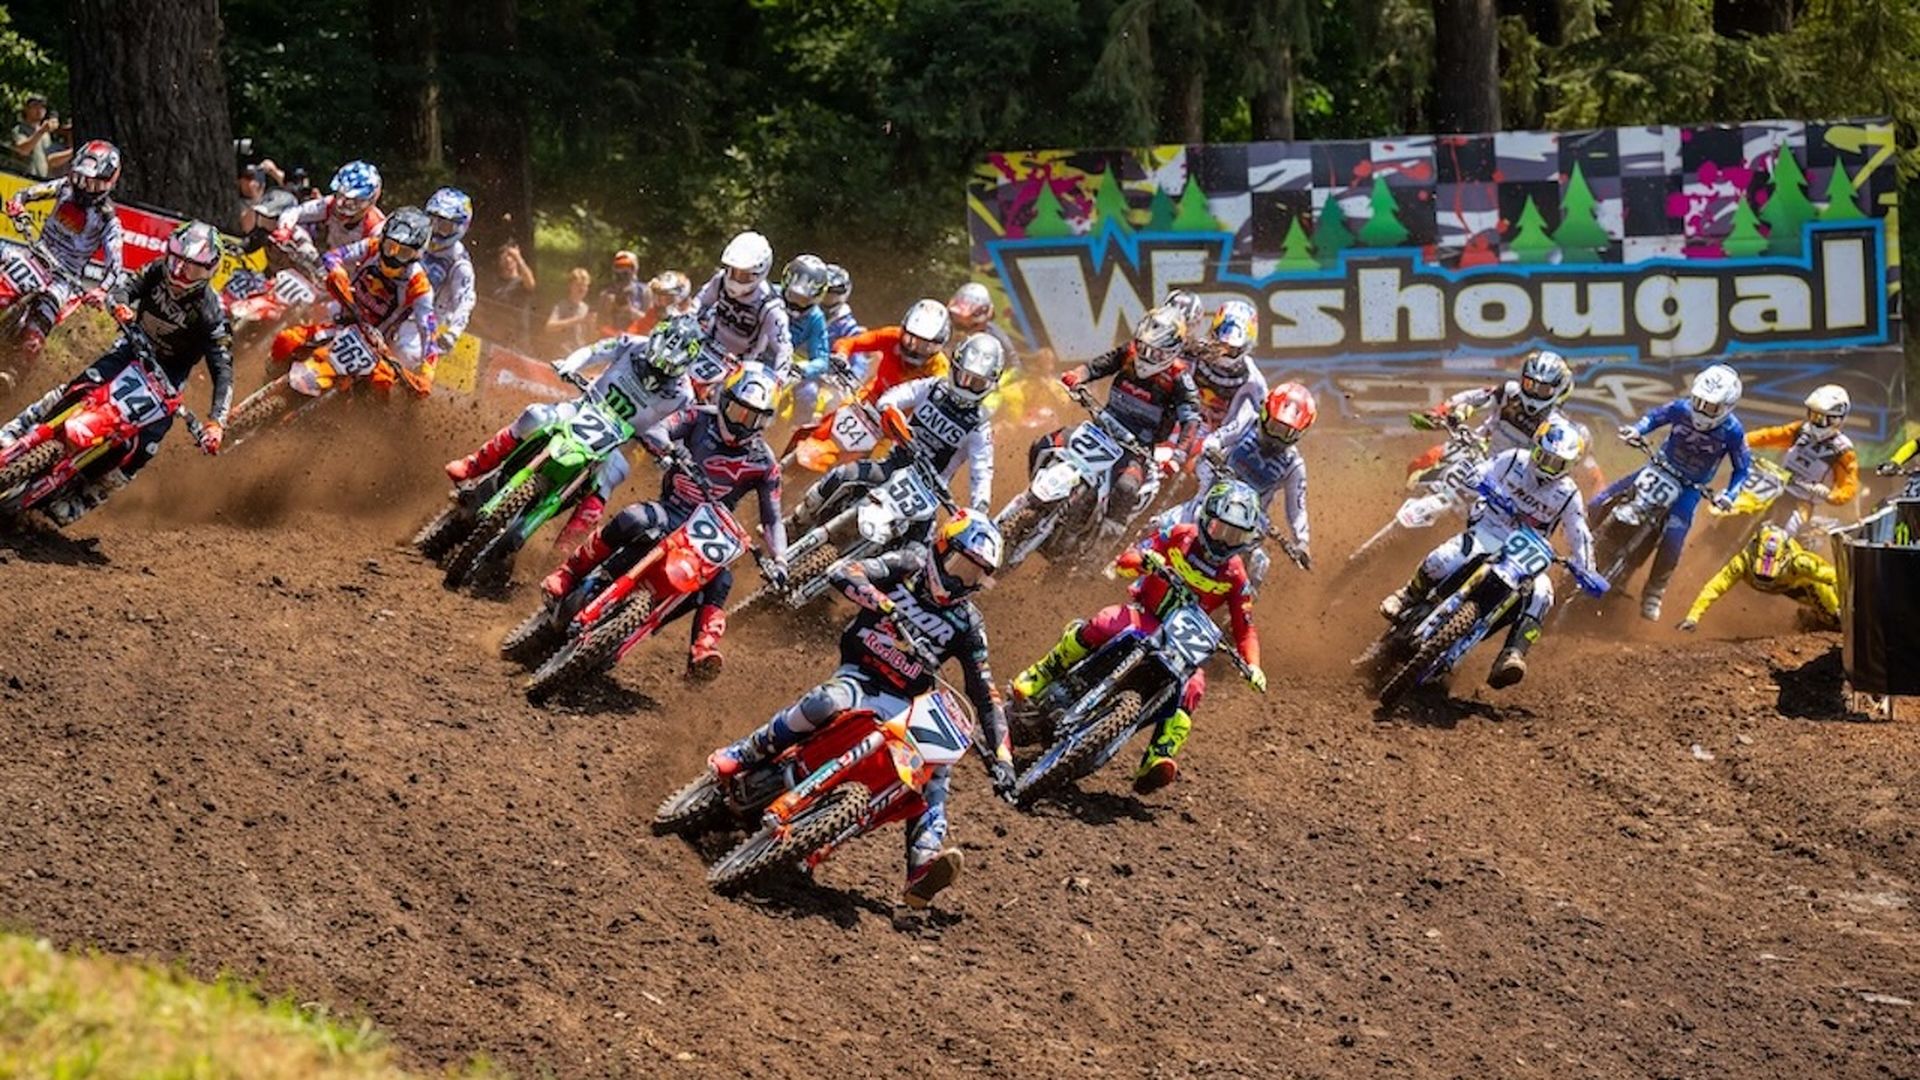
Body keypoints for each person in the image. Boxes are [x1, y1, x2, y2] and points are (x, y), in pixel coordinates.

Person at [708, 512, 1016, 909]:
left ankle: (922, 864)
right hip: (862, 676)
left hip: (905, 704)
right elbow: (845, 571)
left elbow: (985, 692)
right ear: (941, 548)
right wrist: (882, 602)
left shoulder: (967, 622)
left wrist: (1005, 759)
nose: (961, 581)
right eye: (961, 567)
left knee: (936, 769)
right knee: (825, 702)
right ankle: (745, 752)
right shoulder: (909, 563)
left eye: (975, 577)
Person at [1012, 480, 1266, 794]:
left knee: (1194, 686)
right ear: (1205, 518)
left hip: (1183, 645)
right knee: (1105, 622)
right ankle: (1042, 673)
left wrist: (1253, 666)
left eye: (1235, 535)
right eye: (1220, 529)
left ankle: (1159, 756)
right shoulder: (1179, 535)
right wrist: (1145, 561)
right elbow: (1126, 560)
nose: (1225, 541)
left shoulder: (1236, 575)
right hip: (1146, 615)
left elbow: (1245, 627)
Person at [539, 364, 788, 678]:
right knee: (632, 518)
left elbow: (773, 518)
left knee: (722, 581)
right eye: (738, 411)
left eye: (752, 418)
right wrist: (670, 449)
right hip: (671, 510)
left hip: (705, 533)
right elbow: (659, 428)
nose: (741, 423)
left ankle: (703, 649)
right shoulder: (699, 417)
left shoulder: (765, 463)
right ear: (725, 399)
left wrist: (779, 559)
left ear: (764, 421)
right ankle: (568, 573)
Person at [0, 222, 230, 523]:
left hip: (168, 376)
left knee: (146, 445)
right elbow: (125, 287)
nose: (179, 273)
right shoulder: (157, 270)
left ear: (210, 270)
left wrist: (216, 422)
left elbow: (223, 368)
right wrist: (121, 305)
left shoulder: (212, 312)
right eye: (176, 261)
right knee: (77, 388)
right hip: (132, 346)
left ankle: (86, 498)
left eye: (192, 269)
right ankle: (15, 431)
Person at [447, 314, 701, 551]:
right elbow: (594, 351)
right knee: (534, 416)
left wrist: (667, 447)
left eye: (664, 369)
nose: (654, 371)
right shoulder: (634, 344)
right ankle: (473, 465)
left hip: (619, 442)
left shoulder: (684, 395)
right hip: (583, 408)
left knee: (608, 480)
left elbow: (676, 425)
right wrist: (569, 364)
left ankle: (564, 552)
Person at [1380, 416, 1596, 687]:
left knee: (1543, 594)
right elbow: (1483, 471)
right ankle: (1407, 596)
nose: (1547, 466)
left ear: (1569, 465)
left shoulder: (1568, 493)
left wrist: (1587, 568)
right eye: (1544, 456)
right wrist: (1476, 479)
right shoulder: (1513, 459)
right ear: (1536, 447)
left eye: (1557, 463)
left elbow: (1580, 533)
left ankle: (1512, 654)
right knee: (1444, 558)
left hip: (1525, 551)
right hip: (1489, 530)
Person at [788, 333, 1005, 535]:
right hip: (893, 464)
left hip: (927, 491)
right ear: (954, 368)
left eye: (976, 382)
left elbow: (982, 471)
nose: (966, 385)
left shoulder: (979, 427)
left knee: (915, 551)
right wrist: (891, 411)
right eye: (964, 377)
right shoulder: (933, 387)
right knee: (842, 474)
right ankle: (795, 522)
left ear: (989, 385)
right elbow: (898, 394)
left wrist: (980, 508)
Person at [1030, 305, 1198, 541]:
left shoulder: (1180, 379)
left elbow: (1191, 420)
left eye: (1156, 353)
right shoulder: (1129, 353)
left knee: (1126, 489)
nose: (1146, 356)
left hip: (1136, 448)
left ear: (1173, 352)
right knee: (1044, 444)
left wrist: (1178, 456)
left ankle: (1096, 555)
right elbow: (1098, 365)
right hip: (1101, 428)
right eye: (1143, 347)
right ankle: (1035, 504)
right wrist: (1077, 376)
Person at [1596, 364, 1751, 620]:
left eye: (1710, 406)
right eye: (1698, 401)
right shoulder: (1681, 408)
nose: (1701, 410)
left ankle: (1654, 591)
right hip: (1659, 468)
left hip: (1689, 488)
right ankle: (1584, 542)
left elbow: (1742, 469)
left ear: (1727, 407)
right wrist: (1637, 430)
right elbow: (1655, 417)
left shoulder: (1733, 431)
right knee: (1600, 501)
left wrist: (1729, 495)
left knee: (1673, 541)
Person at [1169, 381, 1315, 595]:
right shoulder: (1248, 422)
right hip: (1210, 499)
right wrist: (1213, 453)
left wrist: (1302, 542)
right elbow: (1217, 438)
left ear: (1299, 434)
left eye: (1285, 433)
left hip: (1250, 526)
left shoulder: (1294, 464)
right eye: (1274, 426)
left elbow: (1297, 507)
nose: (1276, 437)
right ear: (1265, 415)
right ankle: (1128, 558)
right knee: (1166, 524)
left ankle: (1232, 617)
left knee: (1259, 566)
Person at [270, 206, 438, 392]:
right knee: (286, 340)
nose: (393, 256)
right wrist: (338, 272)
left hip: (375, 347)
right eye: (390, 247)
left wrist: (426, 374)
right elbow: (334, 256)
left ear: (417, 254)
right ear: (383, 240)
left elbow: (428, 332)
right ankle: (269, 379)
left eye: (403, 253)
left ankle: (363, 419)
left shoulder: (419, 285)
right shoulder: (371, 247)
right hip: (343, 324)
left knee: (383, 382)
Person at [1, 140, 124, 363]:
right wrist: (17, 205)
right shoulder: (65, 187)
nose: (84, 187)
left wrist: (102, 290)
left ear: (107, 184)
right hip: (34, 255)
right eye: (81, 179)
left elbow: (115, 266)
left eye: (93, 183)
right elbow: (27, 194)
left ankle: (12, 375)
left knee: (35, 334)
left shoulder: (109, 220)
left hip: (64, 280)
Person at [1410, 348, 1586, 479]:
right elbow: (1475, 398)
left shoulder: (1556, 426)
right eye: (1529, 384)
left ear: (1557, 390)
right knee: (1418, 466)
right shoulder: (1510, 391)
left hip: (1509, 478)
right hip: (1475, 449)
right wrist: (1443, 410)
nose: (1534, 392)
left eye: (1543, 389)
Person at [1679, 521, 1839, 632]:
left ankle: (1827, 617)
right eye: (1760, 575)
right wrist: (1692, 617)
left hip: (1799, 585)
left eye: (1768, 577)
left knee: (1834, 618)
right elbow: (1715, 587)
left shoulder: (1800, 562)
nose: (1763, 582)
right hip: (1785, 584)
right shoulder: (1742, 562)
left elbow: (1836, 577)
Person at [1743, 384, 1858, 536]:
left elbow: (1848, 486)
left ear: (1836, 419)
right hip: (1777, 488)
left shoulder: (1842, 450)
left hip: (1803, 502)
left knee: (1784, 532)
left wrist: (1829, 494)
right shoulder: (1801, 430)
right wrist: (1743, 440)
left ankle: (1775, 559)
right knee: (1745, 507)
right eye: (1813, 415)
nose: (1816, 421)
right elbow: (1772, 435)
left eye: (1822, 418)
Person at [693, 230, 792, 379]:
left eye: (744, 275)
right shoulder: (720, 280)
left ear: (759, 273)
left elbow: (783, 349)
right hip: (706, 349)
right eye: (734, 272)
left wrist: (778, 379)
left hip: (739, 368)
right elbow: (699, 304)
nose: (736, 279)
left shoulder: (770, 306)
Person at [273, 160, 385, 265]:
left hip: (357, 277)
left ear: (370, 200)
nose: (342, 203)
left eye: (353, 200)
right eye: (340, 194)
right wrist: (285, 229)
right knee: (296, 229)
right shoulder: (330, 205)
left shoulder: (376, 227)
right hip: (327, 267)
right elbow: (293, 212)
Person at [1187, 298, 1268, 442]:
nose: (1224, 351)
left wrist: (1217, 441)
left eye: (1232, 349)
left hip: (1217, 445)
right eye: (1220, 344)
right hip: (1180, 425)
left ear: (1246, 346)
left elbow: (1248, 424)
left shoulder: (1253, 380)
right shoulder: (1193, 352)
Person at [421, 187, 476, 354]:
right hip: (389, 309)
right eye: (432, 221)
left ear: (460, 228)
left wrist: (453, 333)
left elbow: (465, 300)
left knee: (406, 355)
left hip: (424, 326)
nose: (436, 230)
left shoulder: (459, 262)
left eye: (444, 226)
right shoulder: (414, 239)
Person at [781, 254, 835, 419]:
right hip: (751, 352)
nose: (796, 304)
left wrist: (804, 368)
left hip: (786, 367)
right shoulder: (769, 294)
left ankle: (793, 440)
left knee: (809, 393)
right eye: (793, 296)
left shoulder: (815, 318)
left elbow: (821, 359)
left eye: (803, 300)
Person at [946, 282, 1017, 369]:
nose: (960, 331)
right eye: (955, 317)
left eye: (964, 325)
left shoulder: (996, 339)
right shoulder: (941, 327)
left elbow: (1014, 367)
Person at [10, 95, 69, 178]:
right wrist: (41, 131)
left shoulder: (46, 134)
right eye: (35, 106)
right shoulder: (19, 129)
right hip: (22, 178)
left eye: (42, 107)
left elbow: (50, 159)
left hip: (41, 181)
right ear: (26, 109)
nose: (39, 109)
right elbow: (22, 150)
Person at [546, 267, 595, 352]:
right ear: (570, 286)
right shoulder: (562, 306)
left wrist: (593, 326)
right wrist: (576, 320)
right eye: (578, 285)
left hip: (580, 354)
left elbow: (590, 337)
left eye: (585, 286)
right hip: (563, 353)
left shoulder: (586, 308)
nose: (582, 289)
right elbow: (549, 326)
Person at [601, 250, 646, 334]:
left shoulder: (644, 291)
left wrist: (631, 311)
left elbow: (651, 321)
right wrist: (608, 310)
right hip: (613, 339)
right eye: (619, 266)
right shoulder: (606, 294)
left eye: (627, 266)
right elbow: (599, 324)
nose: (623, 270)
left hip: (637, 339)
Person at [822, 263, 862, 346]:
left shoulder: (846, 325)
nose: (829, 298)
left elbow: (855, 349)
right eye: (826, 293)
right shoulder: (803, 309)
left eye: (834, 294)